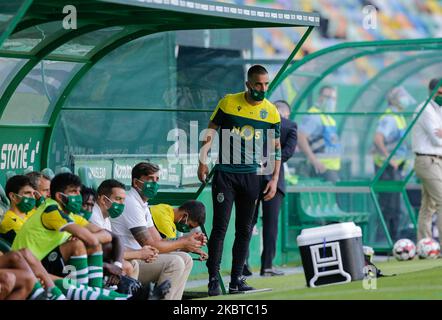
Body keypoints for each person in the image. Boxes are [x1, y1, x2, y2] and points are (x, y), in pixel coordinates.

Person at [198, 65, 282, 295]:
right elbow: (210, 130)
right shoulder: (228, 102)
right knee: (220, 228)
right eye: (258, 84)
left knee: (245, 229)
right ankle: (213, 279)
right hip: (226, 174)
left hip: (252, 177)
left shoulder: (272, 111)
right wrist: (202, 161)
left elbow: (276, 148)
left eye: (266, 84)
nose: (262, 89)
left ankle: (237, 279)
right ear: (248, 84)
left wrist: (274, 179)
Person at [110, 162, 205, 300]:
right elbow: (151, 244)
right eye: (149, 179)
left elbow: (157, 242)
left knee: (186, 259)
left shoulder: (143, 204)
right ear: (136, 182)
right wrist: (184, 242)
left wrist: (187, 245)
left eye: (156, 179)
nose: (154, 183)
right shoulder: (131, 202)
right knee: (175, 263)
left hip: (140, 258)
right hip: (128, 259)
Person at [12, 173, 112, 289]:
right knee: (77, 245)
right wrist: (83, 237)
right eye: (74, 192)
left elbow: (106, 235)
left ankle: (94, 289)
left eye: (79, 192)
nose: (79, 196)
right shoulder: (51, 210)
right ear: (60, 196)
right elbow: (91, 239)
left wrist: (83, 236)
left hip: (44, 263)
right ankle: (84, 292)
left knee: (93, 245)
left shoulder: (70, 215)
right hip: (28, 267)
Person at [245, 100, 297, 277]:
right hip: (274, 179)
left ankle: (243, 263)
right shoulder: (290, 126)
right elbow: (288, 153)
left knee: (247, 222)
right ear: (286, 113)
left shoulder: (256, 121)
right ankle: (267, 266)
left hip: (251, 176)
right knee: (270, 225)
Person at [373, 87, 413, 242]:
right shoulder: (389, 117)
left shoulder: (398, 117)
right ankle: (386, 240)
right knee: (390, 206)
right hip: (386, 168)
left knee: (397, 206)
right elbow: (378, 138)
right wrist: (388, 157)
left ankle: (395, 238)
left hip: (396, 167)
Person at [412, 78, 442, 243]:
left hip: (437, 161)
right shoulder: (425, 109)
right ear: (431, 91)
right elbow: (436, 139)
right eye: (439, 91)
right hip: (427, 160)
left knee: (428, 206)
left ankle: (424, 243)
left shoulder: (439, 110)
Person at [297, 85, 341, 183]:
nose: (331, 101)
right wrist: (314, 160)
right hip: (322, 168)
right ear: (320, 97)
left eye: (333, 98)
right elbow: (300, 137)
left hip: (332, 167)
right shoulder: (314, 115)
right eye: (328, 97)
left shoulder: (329, 117)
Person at [0, 175, 37, 245]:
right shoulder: (8, 221)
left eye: (34, 193)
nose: (32, 197)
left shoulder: (31, 212)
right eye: (27, 193)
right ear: (13, 196)